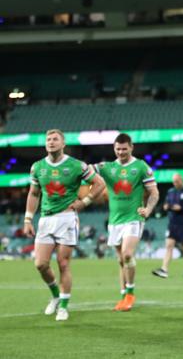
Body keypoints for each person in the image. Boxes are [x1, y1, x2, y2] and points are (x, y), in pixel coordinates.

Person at [23, 129, 106, 321]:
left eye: (55, 139)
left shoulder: (77, 165)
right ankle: (55, 297)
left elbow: (99, 183)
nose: (51, 142)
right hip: (45, 219)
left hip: (67, 218)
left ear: (63, 144)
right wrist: (28, 219)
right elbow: (34, 194)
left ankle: (64, 307)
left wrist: (84, 202)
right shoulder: (37, 167)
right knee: (41, 264)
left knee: (63, 263)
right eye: (48, 139)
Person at [95, 133, 159, 311]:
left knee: (127, 254)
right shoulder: (107, 167)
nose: (121, 152)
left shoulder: (140, 167)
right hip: (114, 221)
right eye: (118, 149)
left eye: (124, 149)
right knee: (121, 260)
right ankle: (123, 295)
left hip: (134, 218)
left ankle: (130, 293)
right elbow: (85, 171)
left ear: (131, 148)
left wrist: (148, 210)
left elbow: (154, 192)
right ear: (114, 149)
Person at [152, 173, 183, 279]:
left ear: (181, 180)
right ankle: (164, 269)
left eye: (177, 181)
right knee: (169, 245)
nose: (175, 183)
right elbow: (166, 203)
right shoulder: (171, 192)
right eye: (174, 181)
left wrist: (181, 208)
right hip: (172, 222)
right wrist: (166, 206)